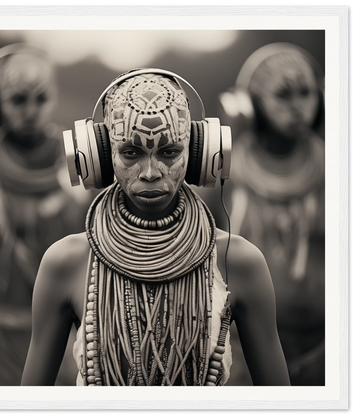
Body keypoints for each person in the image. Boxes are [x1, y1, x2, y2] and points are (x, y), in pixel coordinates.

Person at [21, 69, 290, 386]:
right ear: (100, 156)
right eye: (131, 152)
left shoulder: (238, 260)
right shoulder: (66, 263)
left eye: (169, 152)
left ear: (199, 151)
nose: (150, 172)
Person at [0, 44, 95, 386]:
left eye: (41, 99)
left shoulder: (84, 172)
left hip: (74, 344)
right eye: (18, 100)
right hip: (1, 346)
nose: (31, 111)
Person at [208, 43, 325, 386]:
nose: (299, 107)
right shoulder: (222, 174)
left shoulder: (338, 170)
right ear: (247, 107)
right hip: (239, 351)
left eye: (306, 93)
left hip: (326, 348)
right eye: (283, 95)